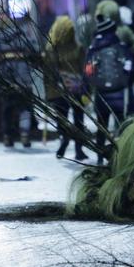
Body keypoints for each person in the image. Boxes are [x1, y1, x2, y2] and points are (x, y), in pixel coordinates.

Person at [85, 0, 134, 164]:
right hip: (120, 93)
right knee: (121, 126)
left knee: (102, 127)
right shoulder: (120, 46)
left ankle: (100, 157)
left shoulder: (93, 49)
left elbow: (87, 71)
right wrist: (127, 82)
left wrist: (89, 87)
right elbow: (131, 68)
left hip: (101, 95)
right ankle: (121, 157)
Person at [44, 15, 88, 161]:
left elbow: (48, 73)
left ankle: (64, 137)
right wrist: (87, 90)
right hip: (76, 89)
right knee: (78, 119)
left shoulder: (50, 49)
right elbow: (84, 69)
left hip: (58, 91)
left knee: (61, 118)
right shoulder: (78, 47)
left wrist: (48, 92)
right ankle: (79, 149)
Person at [0, 14, 37, 148]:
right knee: (25, 109)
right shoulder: (23, 39)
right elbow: (34, 55)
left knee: (7, 109)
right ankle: (25, 135)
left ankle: (8, 136)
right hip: (24, 81)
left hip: (6, 82)